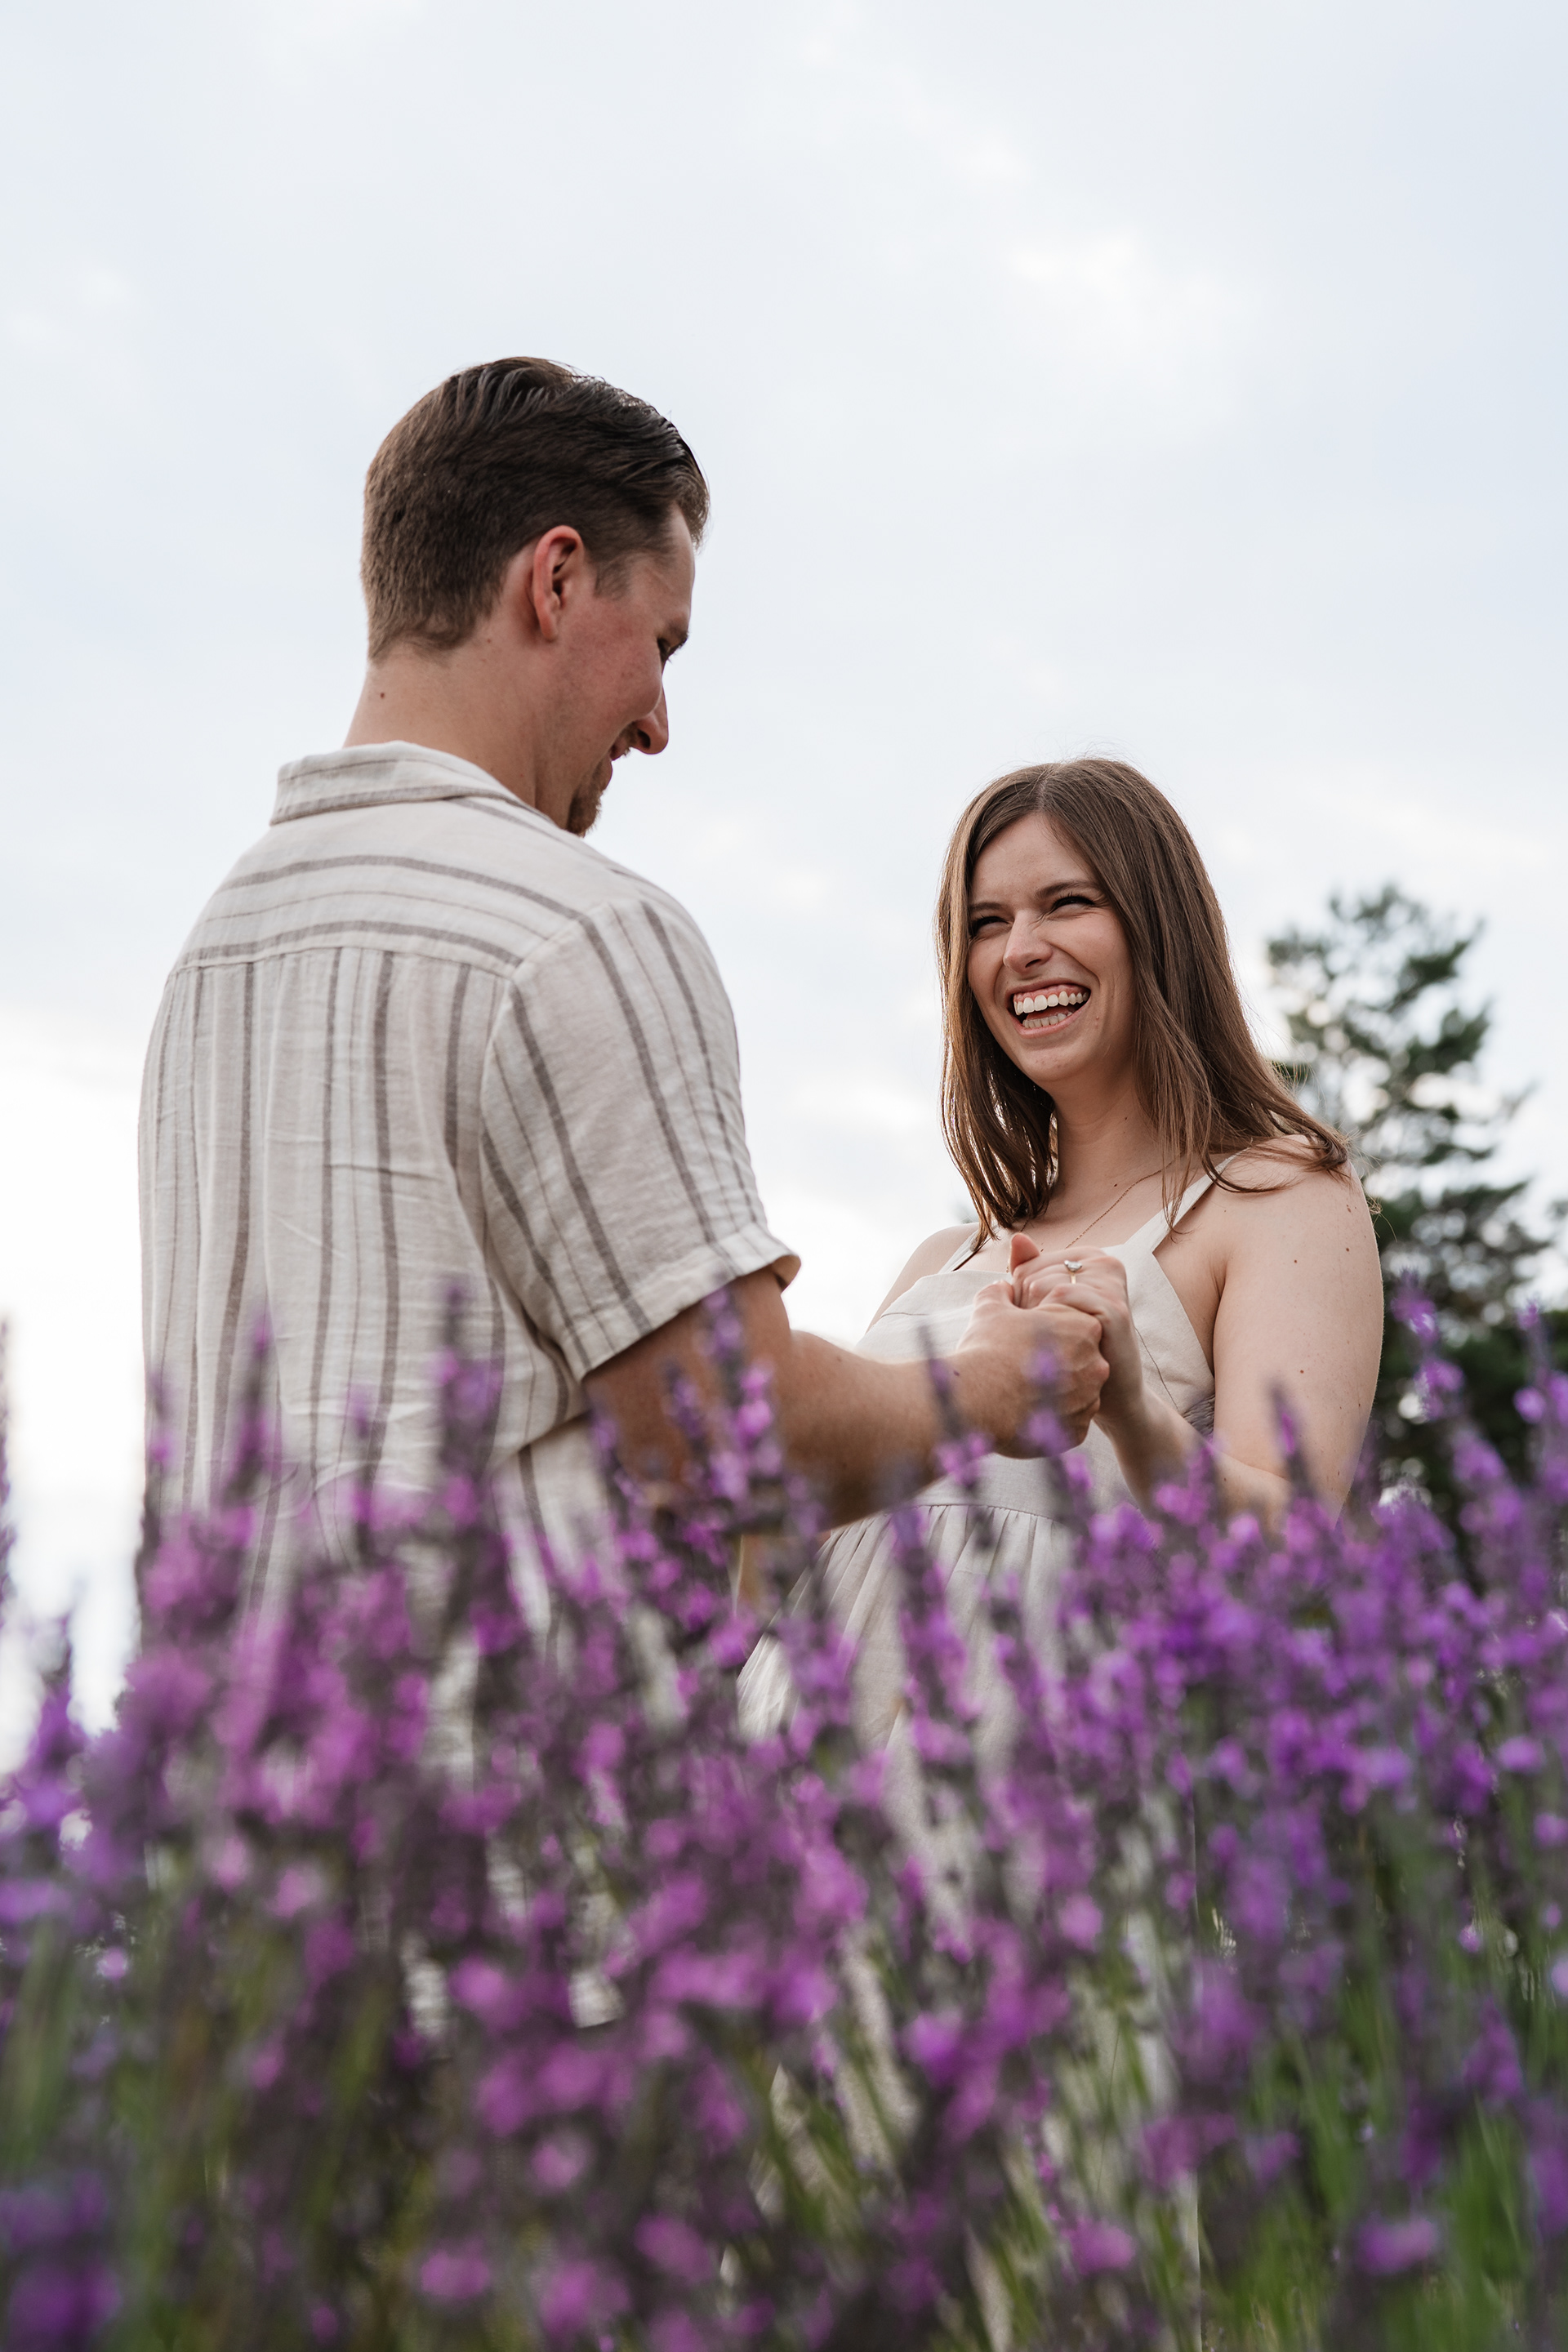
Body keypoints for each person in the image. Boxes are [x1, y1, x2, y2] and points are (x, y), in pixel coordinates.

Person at [137, 359, 1105, 1600]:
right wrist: (990, 1387)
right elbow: (727, 1434)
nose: (656, 721)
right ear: (553, 580)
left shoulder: (215, 949)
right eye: (661, 643)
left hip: (220, 1716)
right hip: (499, 1723)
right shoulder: (576, 927)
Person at [742, 758, 1384, 1748]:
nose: (1021, 950)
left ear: (1157, 925)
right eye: (987, 922)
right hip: (793, 1768)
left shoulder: (1279, 1198)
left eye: (1066, 903)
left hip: (1043, 1788)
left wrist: (1131, 1411)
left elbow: (1294, 1558)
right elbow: (785, 1566)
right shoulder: (943, 1257)